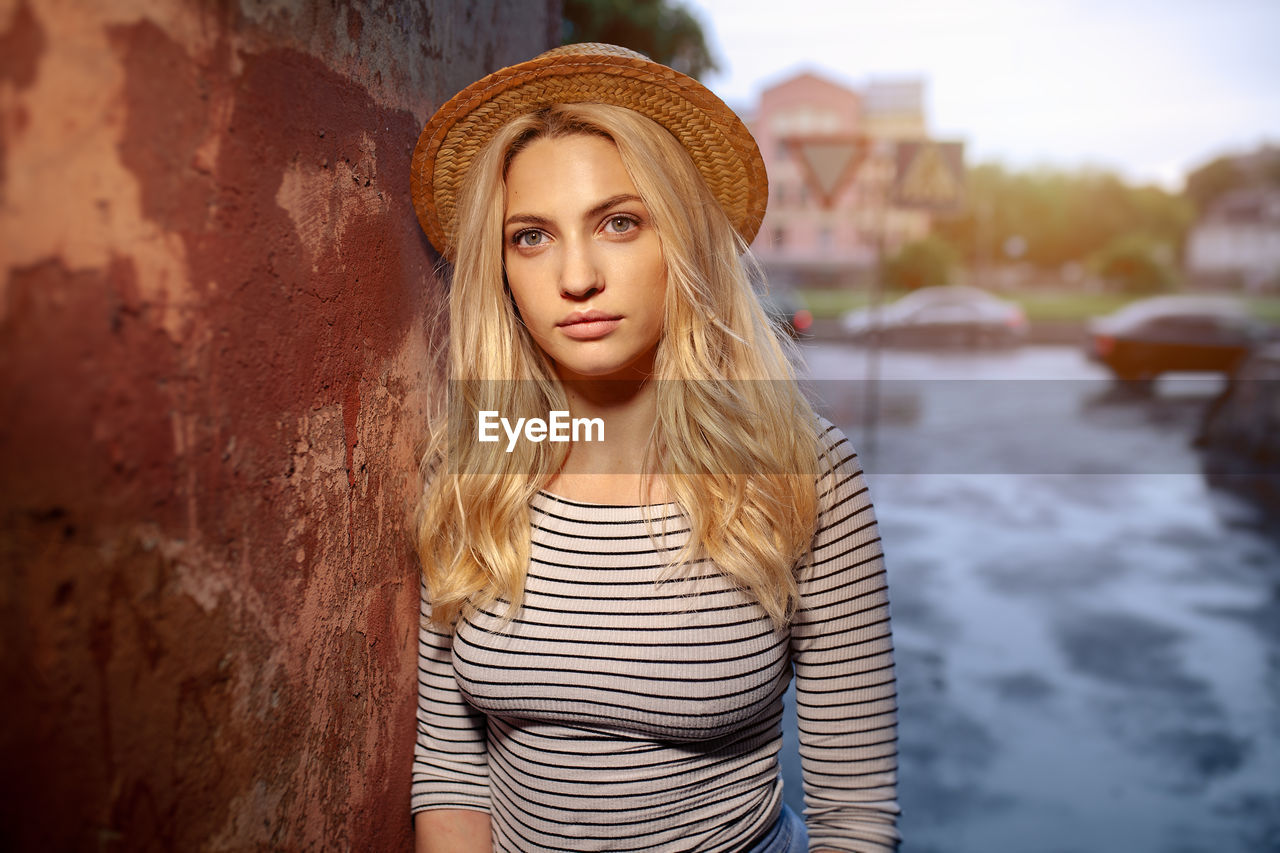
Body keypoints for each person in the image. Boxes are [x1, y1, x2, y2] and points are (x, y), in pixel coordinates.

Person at [408, 43, 899, 853]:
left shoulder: (807, 472)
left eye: (620, 222)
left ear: (685, 243)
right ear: (500, 270)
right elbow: (454, 773)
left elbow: (856, 816)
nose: (576, 275)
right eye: (530, 236)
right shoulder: (477, 462)